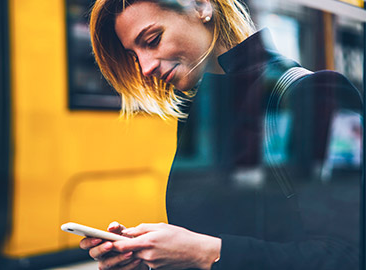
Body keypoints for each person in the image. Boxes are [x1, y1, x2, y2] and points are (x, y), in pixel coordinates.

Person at [80, 0, 362, 269]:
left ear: (202, 6)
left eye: (152, 40)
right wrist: (151, 261)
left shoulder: (319, 93)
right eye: (134, 54)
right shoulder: (200, 112)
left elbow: (348, 257)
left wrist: (207, 253)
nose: (145, 67)